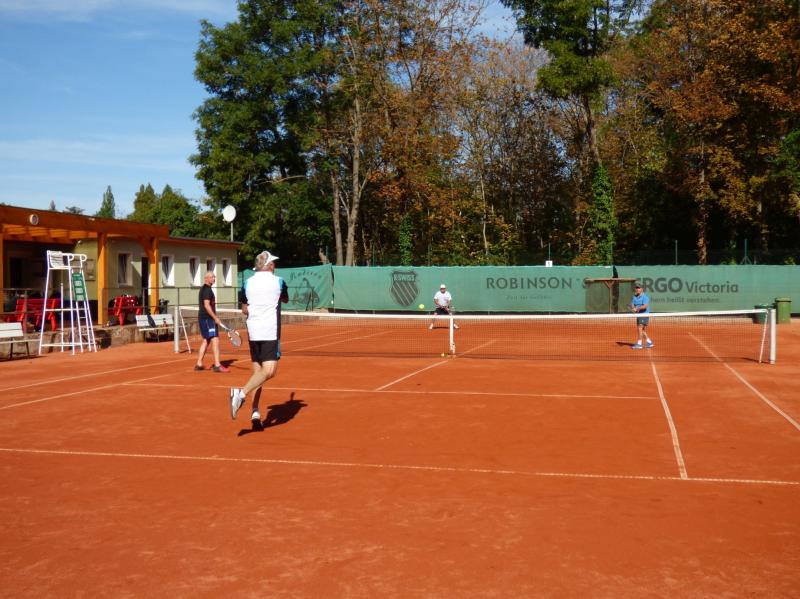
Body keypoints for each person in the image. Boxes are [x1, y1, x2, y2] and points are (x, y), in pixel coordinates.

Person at [229, 250, 289, 428]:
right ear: (269, 265)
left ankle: (255, 412)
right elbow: (285, 299)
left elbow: (244, 309)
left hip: (253, 332)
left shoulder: (247, 283)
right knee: (269, 371)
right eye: (273, 263)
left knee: (258, 374)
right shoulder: (279, 282)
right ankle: (240, 394)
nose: (275, 266)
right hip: (269, 331)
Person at [194, 271, 230, 372]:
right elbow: (206, 305)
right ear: (206, 278)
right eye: (212, 277)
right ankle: (217, 365)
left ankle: (199, 364)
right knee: (215, 339)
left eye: (214, 277)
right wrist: (215, 318)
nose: (214, 278)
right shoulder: (207, 290)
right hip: (207, 319)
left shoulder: (206, 289)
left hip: (205, 318)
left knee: (207, 340)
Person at [630, 282, 654, 349]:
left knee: (640, 327)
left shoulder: (645, 297)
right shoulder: (634, 297)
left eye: (639, 288)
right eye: (636, 288)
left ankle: (639, 344)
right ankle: (649, 342)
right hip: (639, 315)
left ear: (642, 289)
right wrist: (633, 308)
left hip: (644, 314)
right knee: (642, 330)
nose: (637, 289)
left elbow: (645, 306)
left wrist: (637, 308)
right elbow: (632, 304)